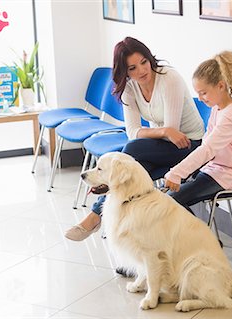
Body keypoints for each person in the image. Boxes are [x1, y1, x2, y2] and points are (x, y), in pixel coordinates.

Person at [65, 37, 205, 241]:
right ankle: (128, 236)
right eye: (132, 68)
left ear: (150, 59)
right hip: (159, 146)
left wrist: (166, 131)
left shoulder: (169, 78)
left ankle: (96, 216)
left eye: (144, 62)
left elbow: (173, 130)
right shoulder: (129, 88)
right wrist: (164, 132)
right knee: (133, 173)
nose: (141, 70)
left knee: (133, 151)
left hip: (189, 146)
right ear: (124, 72)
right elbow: (133, 130)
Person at [164, 51, 232, 213]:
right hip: (212, 169)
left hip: (228, 176)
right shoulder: (218, 108)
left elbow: (208, 149)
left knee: (170, 202)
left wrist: (176, 173)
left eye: (203, 92)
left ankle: (199, 238)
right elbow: (207, 144)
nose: (200, 98)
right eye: (198, 93)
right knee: (167, 200)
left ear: (221, 85)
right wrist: (181, 172)